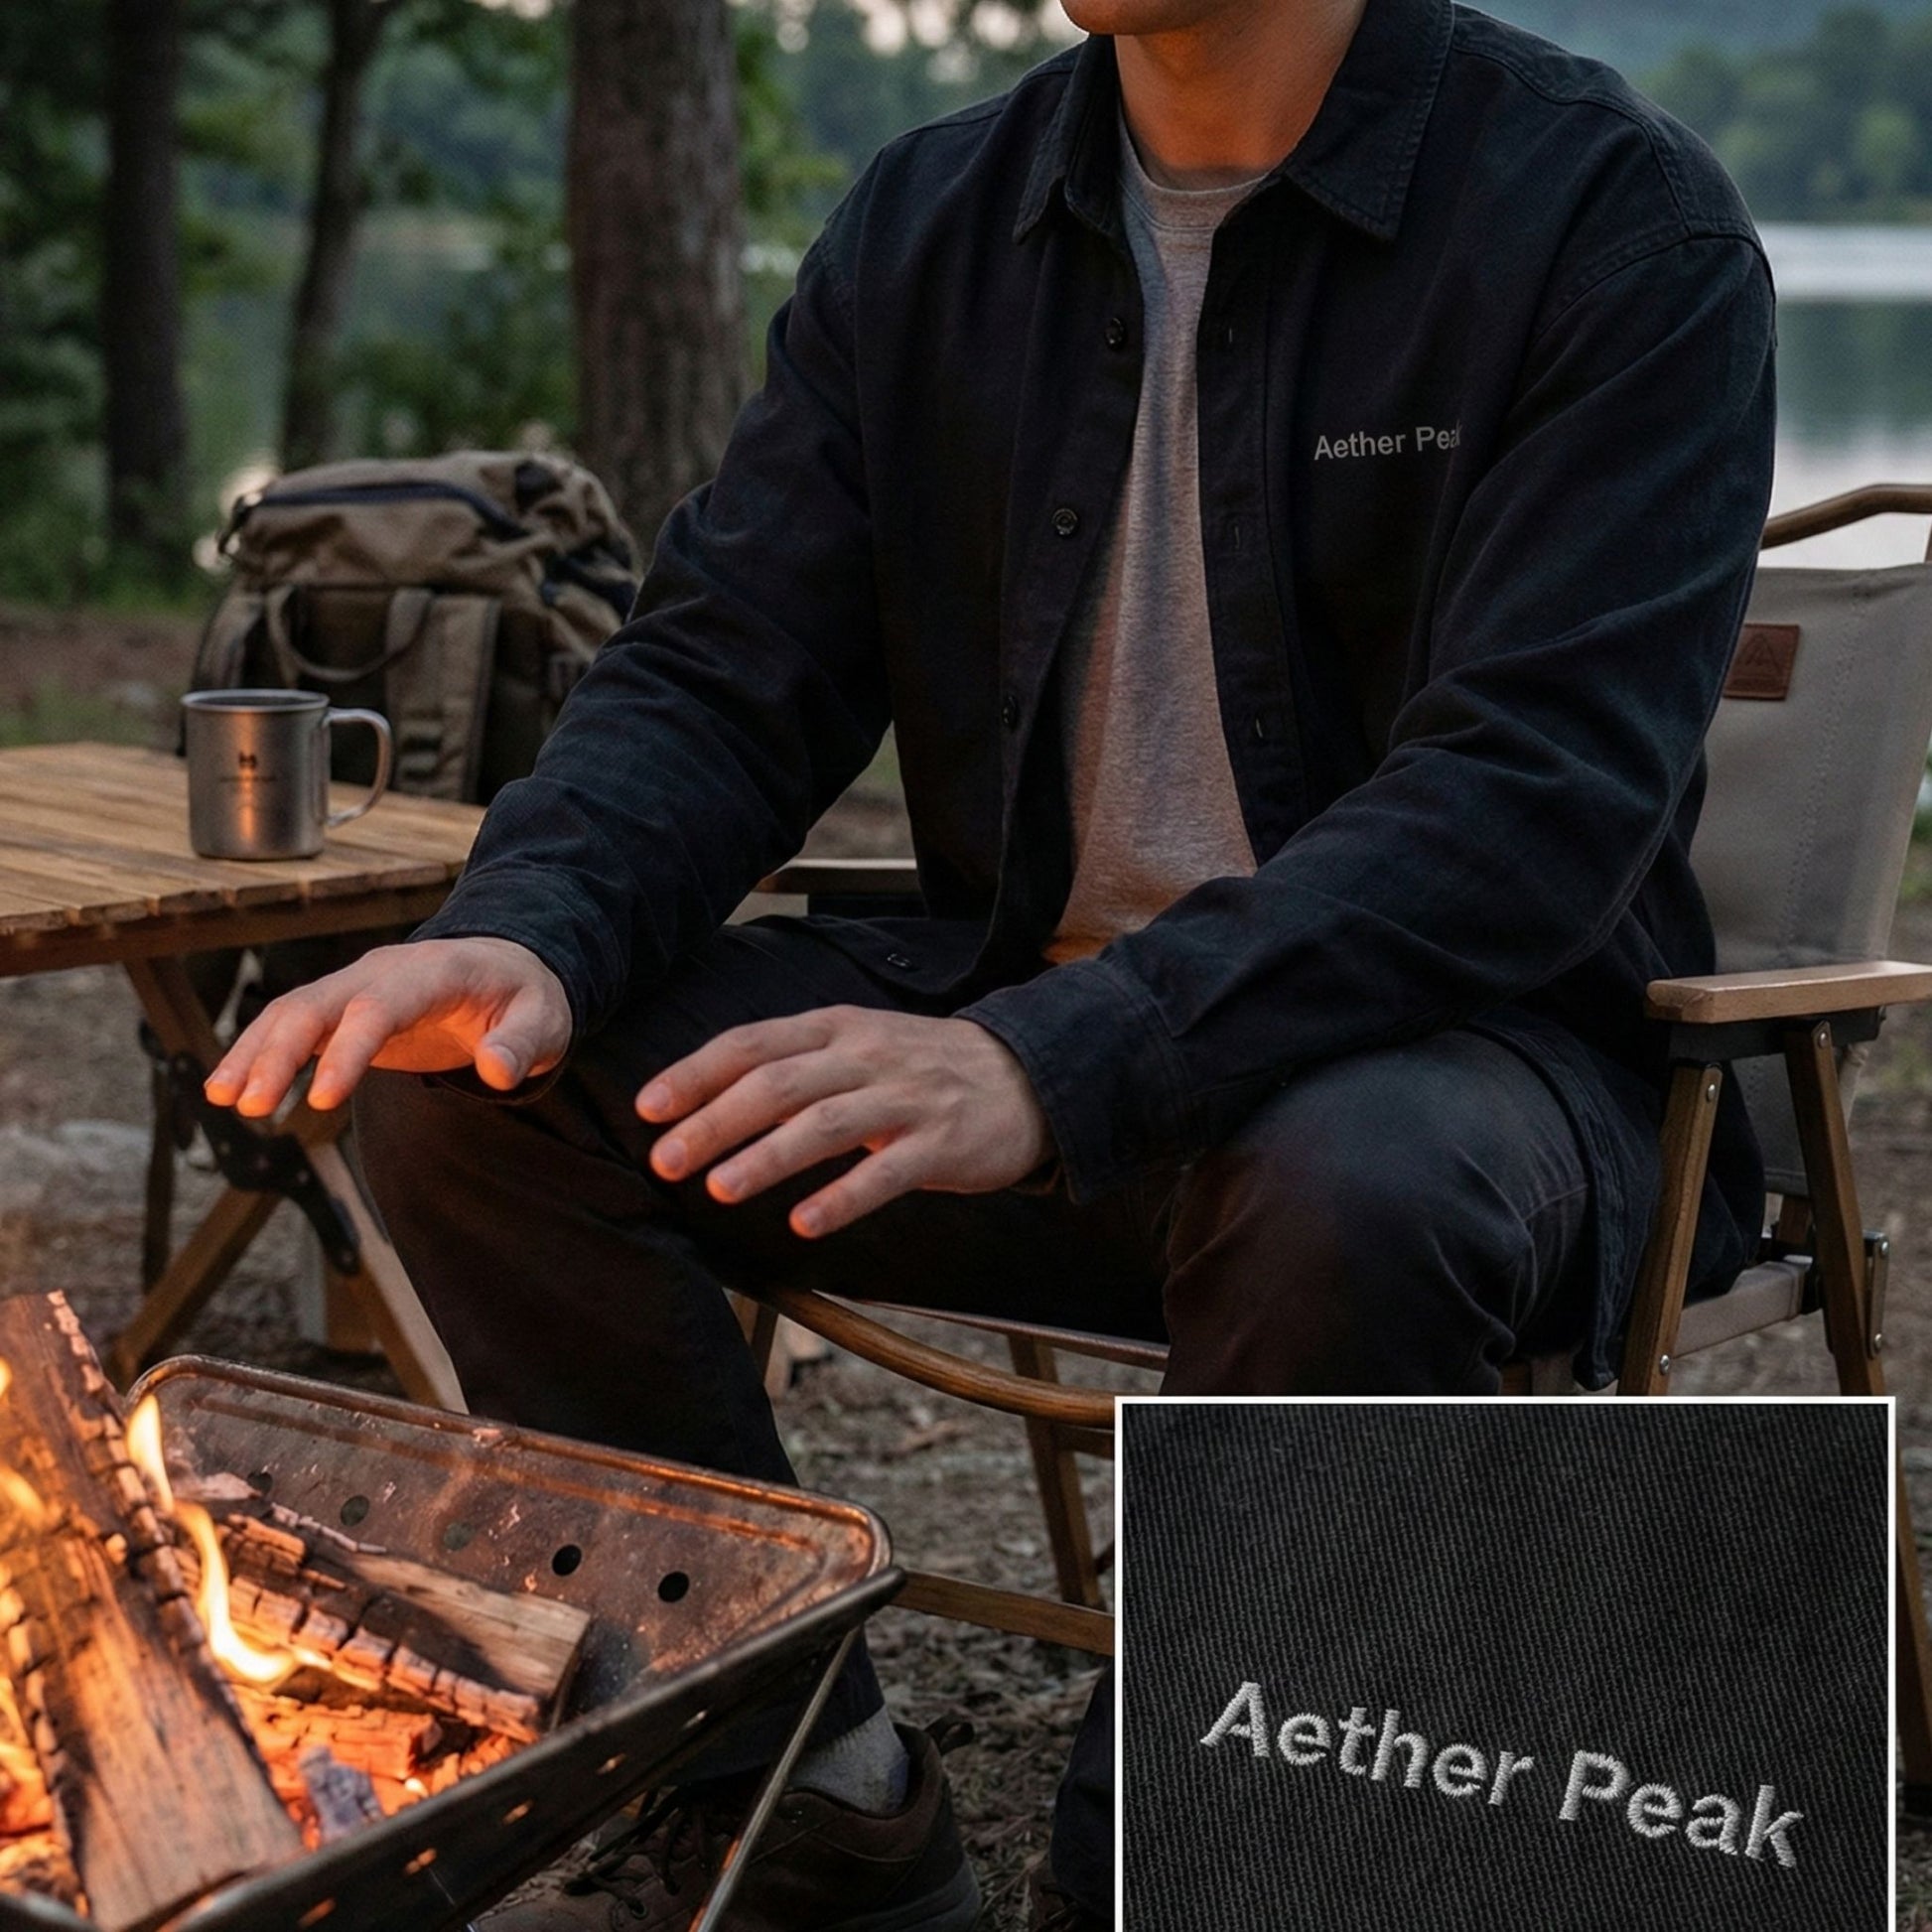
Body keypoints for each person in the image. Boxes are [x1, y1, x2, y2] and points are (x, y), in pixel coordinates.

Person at [206, 0, 1777, 1923]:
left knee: (1342, 1187)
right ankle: (795, 1776)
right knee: (469, 1098)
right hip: (1033, 1036)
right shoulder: (936, 225)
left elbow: (1531, 796)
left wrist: (1059, 1057)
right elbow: (720, 671)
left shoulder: (1611, 227)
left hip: (1462, 1070)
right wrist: (525, 928)